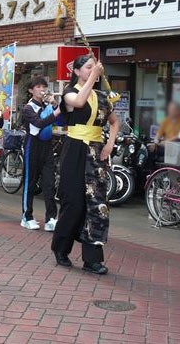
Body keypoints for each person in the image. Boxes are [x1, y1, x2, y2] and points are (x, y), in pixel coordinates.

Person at [51, 55, 119, 275]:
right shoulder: (69, 93)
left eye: (94, 67)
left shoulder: (101, 96)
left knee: (97, 205)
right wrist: (94, 77)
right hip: (75, 149)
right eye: (88, 68)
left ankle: (92, 260)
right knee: (74, 202)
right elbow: (80, 102)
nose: (92, 71)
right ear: (78, 71)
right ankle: (61, 249)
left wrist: (110, 144)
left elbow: (114, 121)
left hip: (96, 152)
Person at [21, 77, 61, 231]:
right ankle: (27, 216)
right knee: (30, 183)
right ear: (31, 90)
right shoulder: (28, 108)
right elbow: (38, 123)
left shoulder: (49, 106)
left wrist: (56, 105)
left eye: (44, 86)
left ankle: (51, 218)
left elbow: (60, 123)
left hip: (47, 146)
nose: (42, 89)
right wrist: (56, 111)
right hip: (33, 146)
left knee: (49, 183)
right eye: (38, 86)